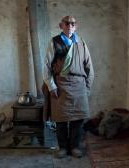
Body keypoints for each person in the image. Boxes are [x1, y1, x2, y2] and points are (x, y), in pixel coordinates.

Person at [43, 16, 94, 158]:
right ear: (61, 26)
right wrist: (51, 86)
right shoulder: (54, 42)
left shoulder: (81, 43)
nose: (70, 26)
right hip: (60, 85)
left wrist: (87, 87)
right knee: (60, 119)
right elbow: (47, 66)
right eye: (67, 23)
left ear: (76, 26)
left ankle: (75, 146)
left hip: (79, 86)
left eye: (73, 23)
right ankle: (63, 147)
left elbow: (89, 66)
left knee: (77, 119)